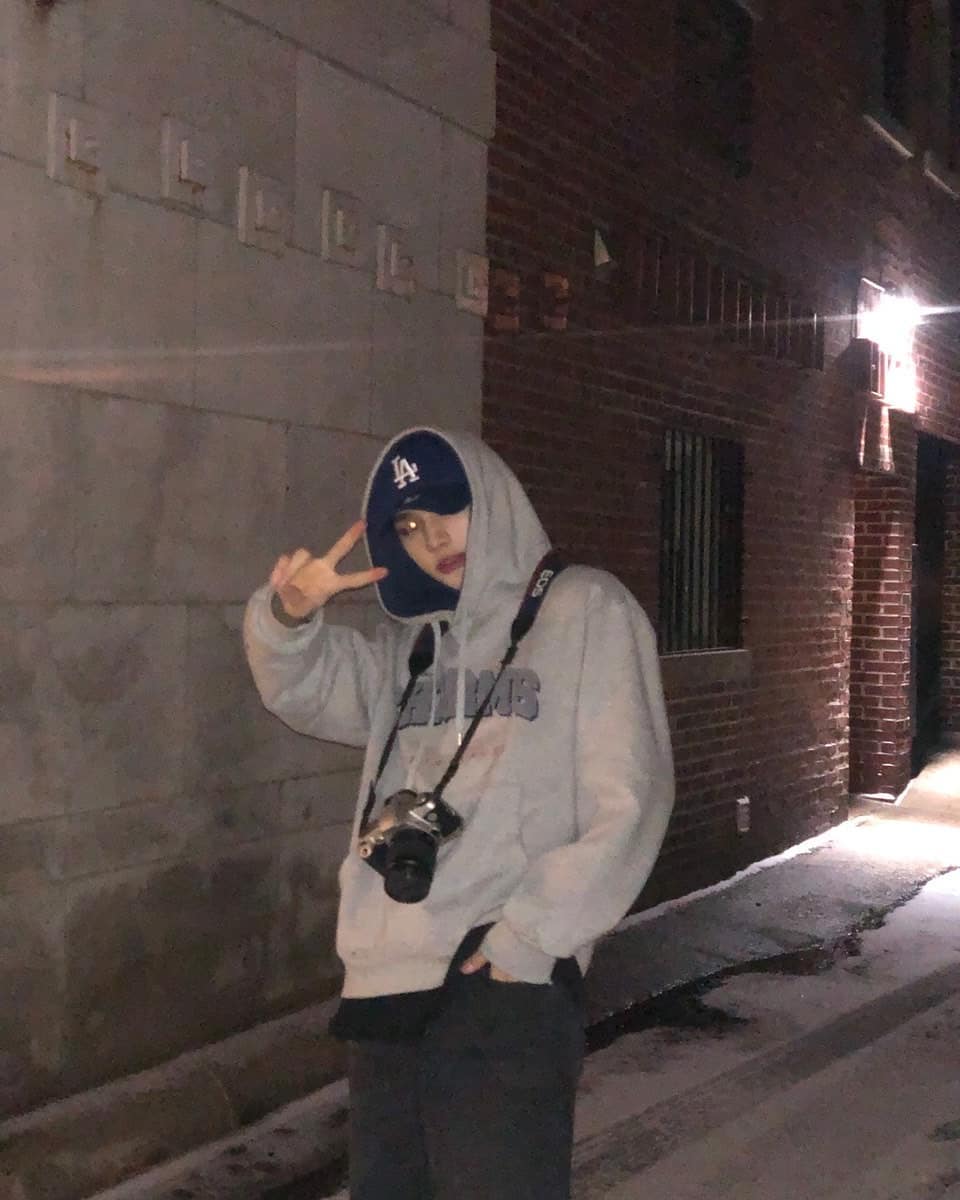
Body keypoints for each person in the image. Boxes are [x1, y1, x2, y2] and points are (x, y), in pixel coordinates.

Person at [243, 427, 674, 1200]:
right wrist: (288, 615)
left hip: (497, 967)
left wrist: (531, 936)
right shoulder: (413, 650)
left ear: (494, 500)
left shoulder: (584, 608)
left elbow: (631, 797)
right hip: (387, 975)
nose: (433, 538)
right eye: (410, 525)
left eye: (449, 509)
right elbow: (302, 688)